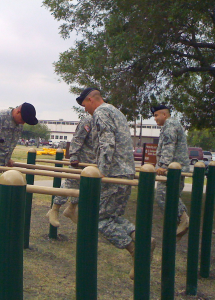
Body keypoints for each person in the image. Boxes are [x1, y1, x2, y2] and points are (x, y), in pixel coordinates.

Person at [76, 87, 155, 280]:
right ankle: (143, 239)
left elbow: (107, 143)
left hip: (114, 172)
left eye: (84, 105)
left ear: (90, 100)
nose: (85, 110)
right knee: (114, 215)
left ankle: (135, 249)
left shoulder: (101, 113)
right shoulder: (115, 111)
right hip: (126, 171)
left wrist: (101, 171)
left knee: (98, 218)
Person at [46, 114, 96, 227]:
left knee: (85, 188)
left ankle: (71, 208)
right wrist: (73, 156)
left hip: (93, 163)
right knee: (69, 185)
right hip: (80, 161)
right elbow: (77, 138)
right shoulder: (88, 120)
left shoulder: (103, 122)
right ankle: (54, 209)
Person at [151, 104, 190, 241]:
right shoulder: (171, 125)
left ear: (164, 115)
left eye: (156, 115)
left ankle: (183, 220)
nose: (155, 119)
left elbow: (169, 145)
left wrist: (163, 165)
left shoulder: (169, 124)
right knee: (171, 196)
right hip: (177, 167)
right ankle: (178, 225)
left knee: (163, 195)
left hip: (172, 169)